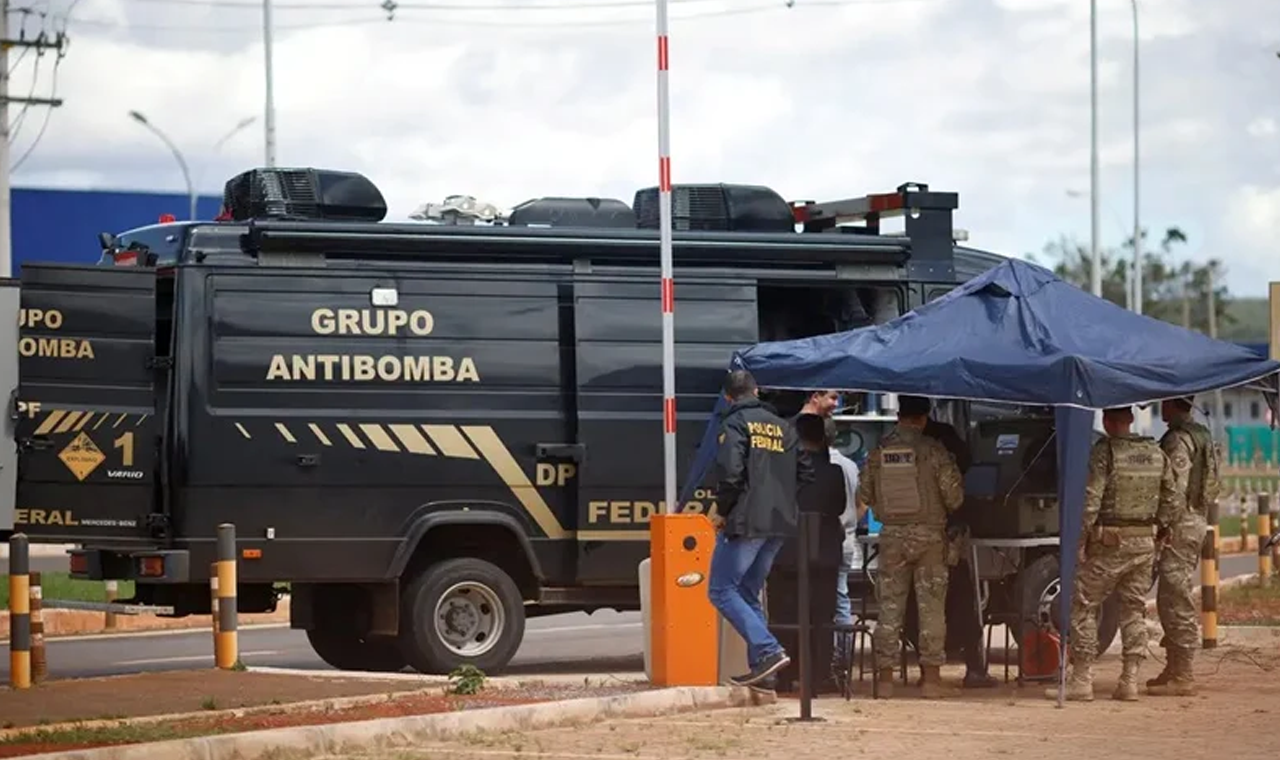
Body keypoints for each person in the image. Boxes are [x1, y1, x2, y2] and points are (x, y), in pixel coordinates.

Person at [1050, 406, 1176, 702]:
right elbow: (1171, 500)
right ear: (1131, 421)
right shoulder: (1156, 453)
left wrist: (1079, 540)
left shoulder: (1104, 452)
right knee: (1133, 610)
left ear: (1106, 421)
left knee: (1083, 604)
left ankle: (1082, 679)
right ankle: (1129, 680)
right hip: (1144, 544)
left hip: (1108, 544)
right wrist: (1159, 530)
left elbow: (1091, 500)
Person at [857, 394, 964, 699]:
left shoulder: (880, 452)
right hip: (930, 538)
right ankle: (930, 680)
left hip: (892, 537)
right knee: (931, 609)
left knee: (889, 609)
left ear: (899, 415)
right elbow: (953, 498)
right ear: (924, 418)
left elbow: (866, 492)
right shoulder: (934, 451)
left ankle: (886, 680)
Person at [706, 369, 808, 687]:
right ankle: (765, 672)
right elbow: (806, 473)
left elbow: (731, 472)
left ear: (728, 397)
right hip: (779, 522)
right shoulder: (784, 428)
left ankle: (768, 649)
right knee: (748, 592)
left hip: (748, 520)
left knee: (721, 590)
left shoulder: (734, 423)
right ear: (757, 391)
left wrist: (721, 511)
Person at [897, 395, 995, 689]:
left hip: (900, 536)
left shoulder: (889, 443)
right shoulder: (943, 439)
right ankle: (973, 669)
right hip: (944, 534)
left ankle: (913, 674)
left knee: (909, 604)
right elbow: (958, 485)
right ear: (926, 413)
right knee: (961, 598)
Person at [767, 413, 847, 693]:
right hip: (824, 553)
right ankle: (818, 676)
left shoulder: (780, 471)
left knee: (785, 615)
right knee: (822, 617)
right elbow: (838, 507)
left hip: (785, 553)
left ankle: (786, 675)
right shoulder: (834, 472)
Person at [1148, 396, 1221, 696]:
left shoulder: (1179, 440)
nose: (1160, 408)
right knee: (1169, 594)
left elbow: (1175, 491)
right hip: (1195, 519)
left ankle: (1183, 673)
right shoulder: (1201, 434)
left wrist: (1162, 524)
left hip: (1182, 522)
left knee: (1175, 595)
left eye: (1164, 403)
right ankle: (1174, 667)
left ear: (1173, 405)